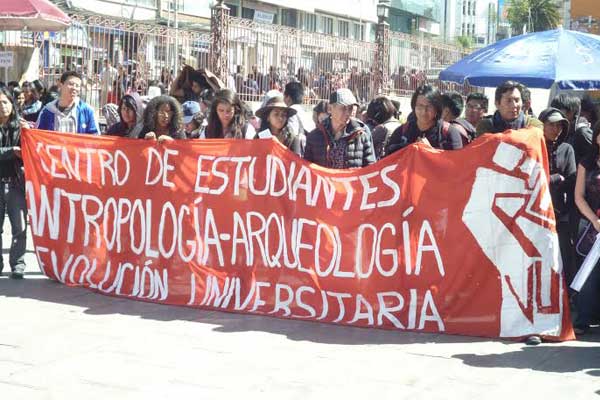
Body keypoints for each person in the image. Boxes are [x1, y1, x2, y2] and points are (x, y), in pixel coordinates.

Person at [539, 108, 576, 285]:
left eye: (559, 125)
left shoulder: (567, 149)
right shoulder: (534, 147)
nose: (556, 129)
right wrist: (555, 178)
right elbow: (533, 179)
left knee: (562, 255)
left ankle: (565, 294)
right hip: (536, 212)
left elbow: (571, 180)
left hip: (559, 213)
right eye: (551, 124)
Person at [573, 123, 600, 335]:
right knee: (588, 272)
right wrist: (593, 219)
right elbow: (578, 196)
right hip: (590, 225)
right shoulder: (586, 163)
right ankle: (583, 318)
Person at [304, 88, 375, 169]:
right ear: (330, 109)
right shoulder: (315, 136)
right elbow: (307, 169)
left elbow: (370, 168)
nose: (348, 113)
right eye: (343, 108)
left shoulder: (361, 134)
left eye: (350, 108)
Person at [385, 84, 464, 155]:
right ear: (414, 107)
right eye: (420, 106)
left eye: (429, 107)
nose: (424, 112)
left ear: (437, 108)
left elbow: (456, 166)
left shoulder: (449, 133)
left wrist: (430, 151)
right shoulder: (402, 132)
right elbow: (388, 162)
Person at [0, 88, 27, 279]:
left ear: (12, 104)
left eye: (5, 102)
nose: (2, 107)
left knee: (20, 228)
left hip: (16, 184)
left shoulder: (22, 128)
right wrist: (12, 151)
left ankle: (18, 264)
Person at [475, 81, 542, 137]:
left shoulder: (533, 125)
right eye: (508, 101)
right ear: (497, 103)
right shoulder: (485, 126)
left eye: (517, 100)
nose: (514, 105)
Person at [550, 94, 593, 165]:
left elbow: (595, 154)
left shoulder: (582, 132)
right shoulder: (561, 129)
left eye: (559, 110)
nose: (555, 114)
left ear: (571, 112)